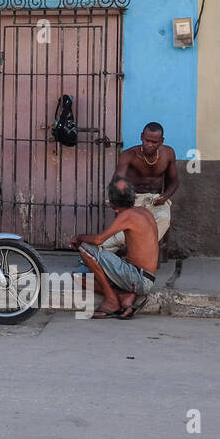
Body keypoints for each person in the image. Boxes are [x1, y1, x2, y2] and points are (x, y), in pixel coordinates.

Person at [70, 178, 159, 319]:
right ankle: (124, 296)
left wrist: (79, 237)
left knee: (85, 247)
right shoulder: (144, 211)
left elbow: (99, 240)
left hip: (138, 278)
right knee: (79, 276)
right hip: (146, 277)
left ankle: (112, 300)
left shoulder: (126, 216)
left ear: (113, 204)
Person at [101, 121, 177, 254]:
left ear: (161, 141)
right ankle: (101, 250)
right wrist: (121, 201)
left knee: (164, 218)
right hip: (133, 199)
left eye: (154, 142)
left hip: (157, 199)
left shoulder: (168, 154)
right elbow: (117, 180)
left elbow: (174, 181)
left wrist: (165, 197)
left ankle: (113, 246)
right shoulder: (129, 155)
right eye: (147, 140)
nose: (149, 145)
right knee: (133, 223)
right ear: (141, 136)